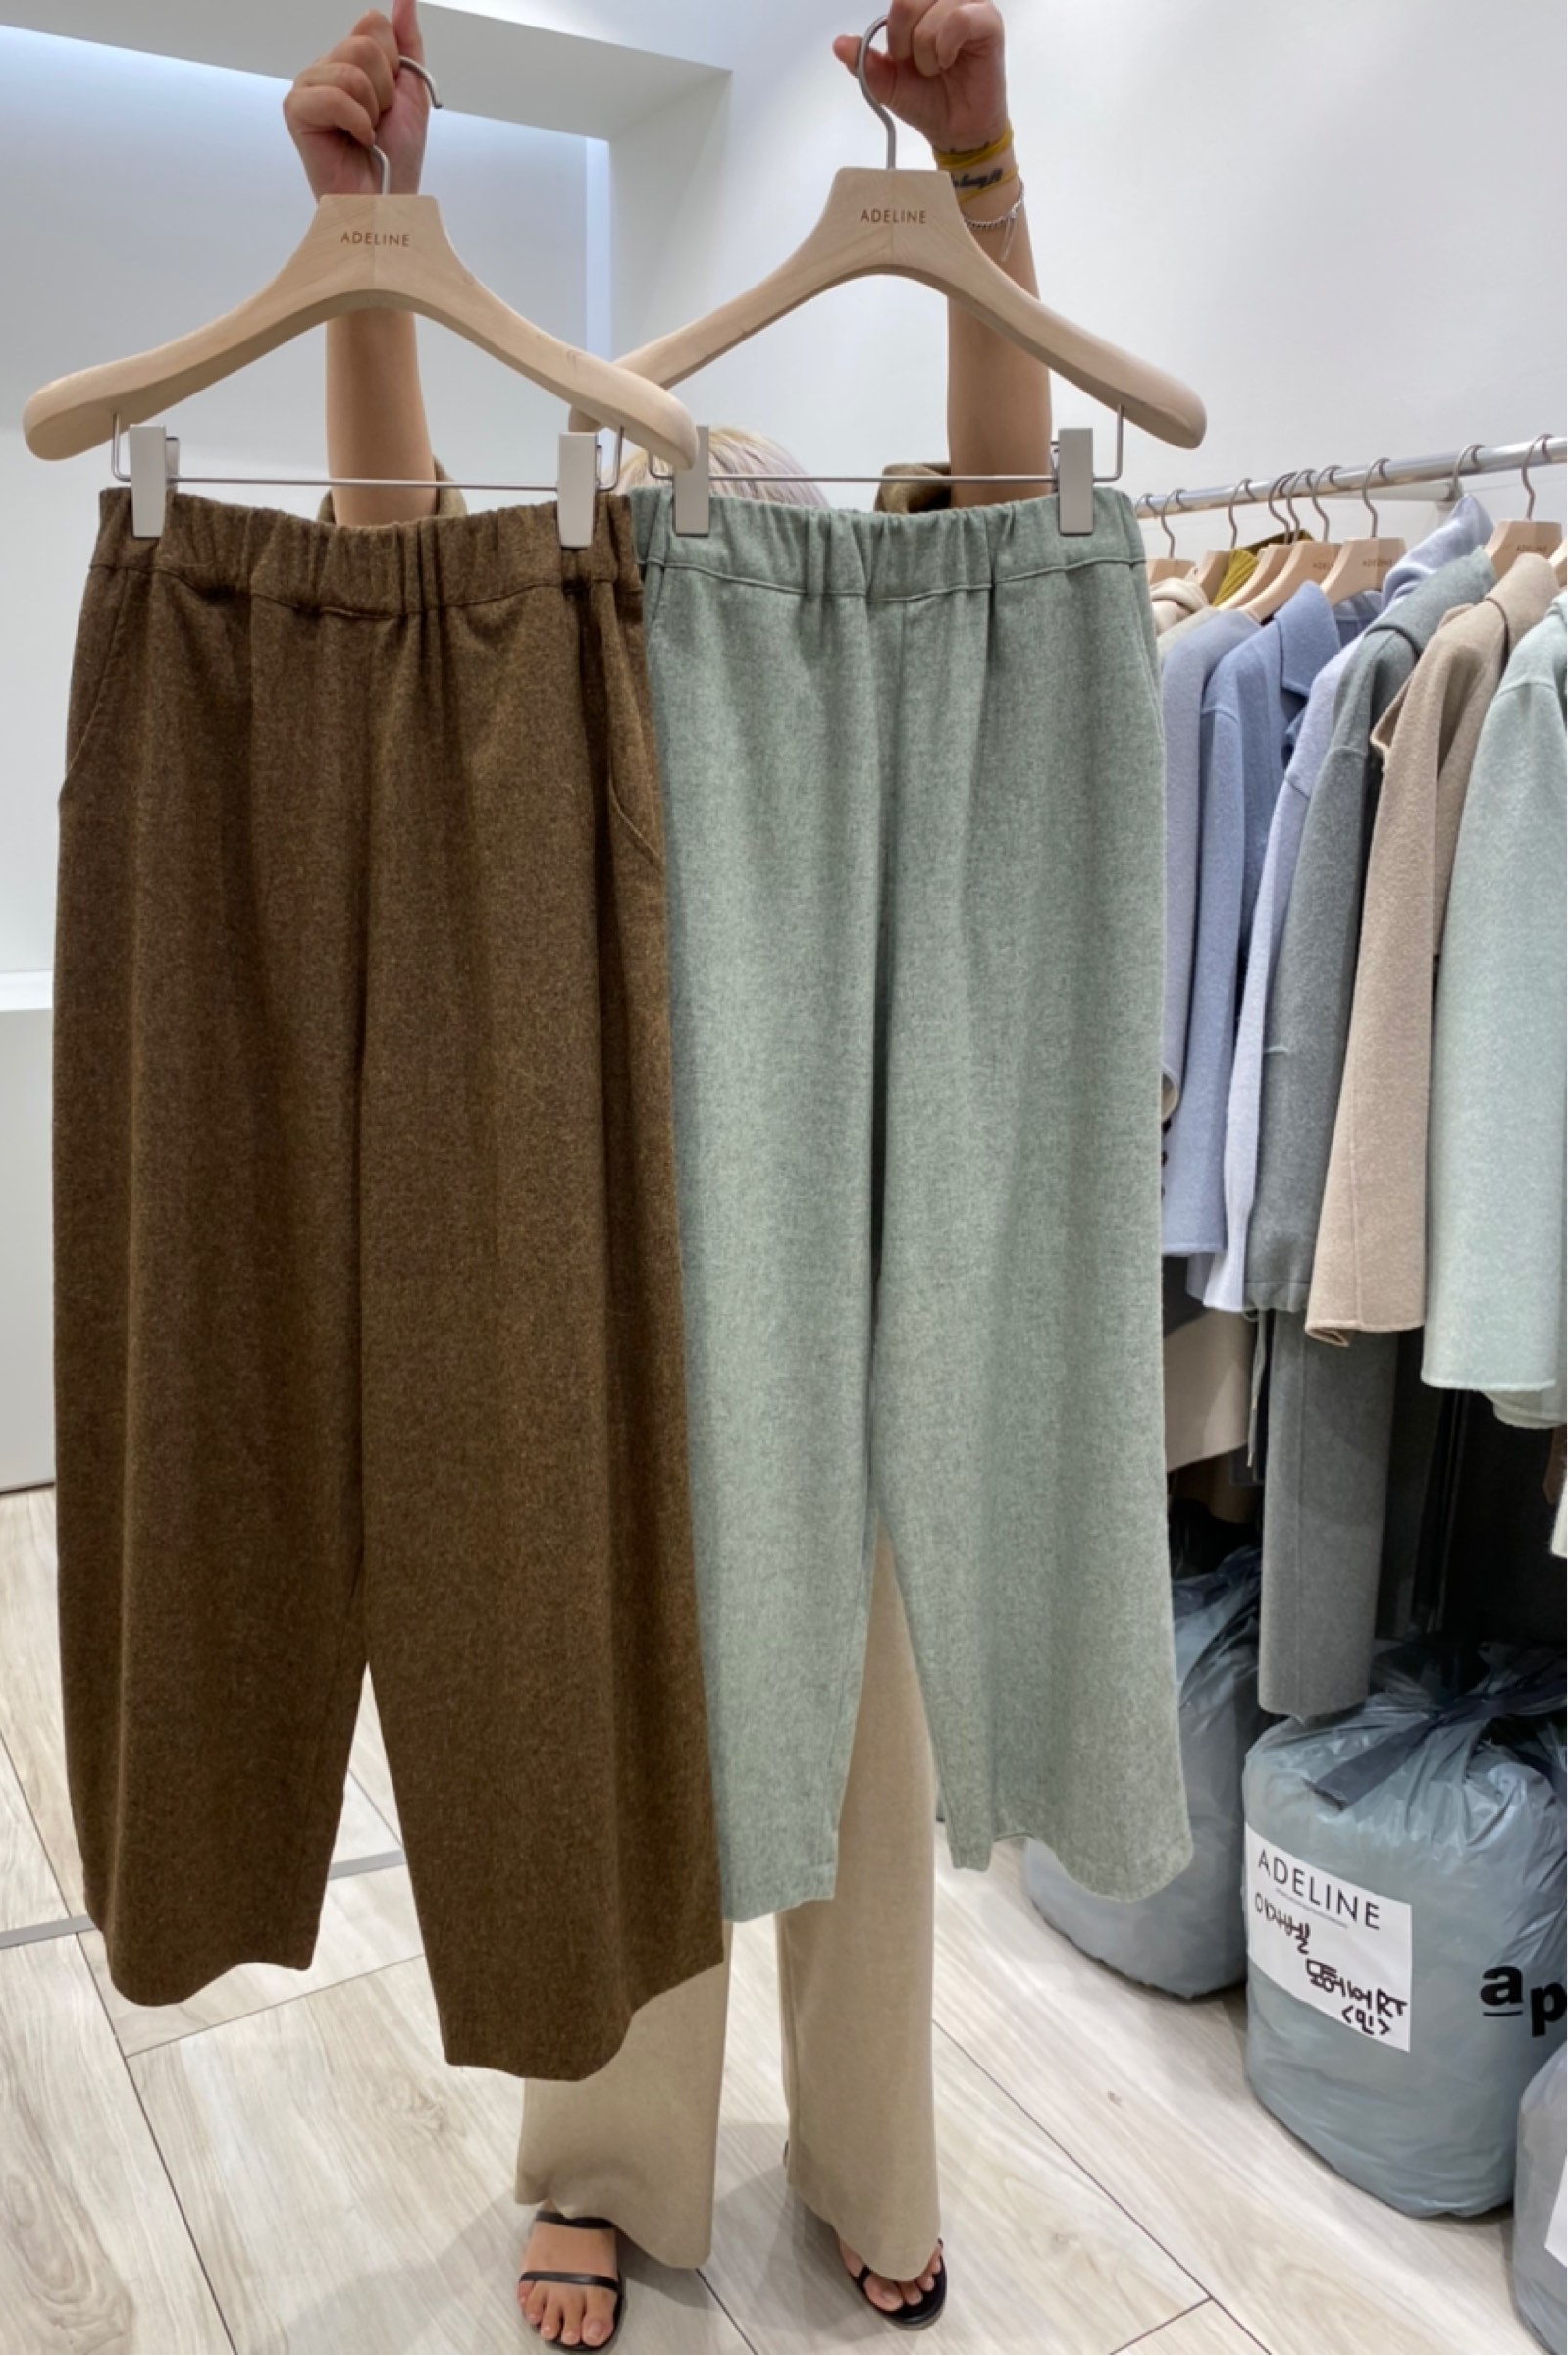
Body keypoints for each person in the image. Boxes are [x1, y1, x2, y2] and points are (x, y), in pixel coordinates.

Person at [284, 2, 1052, 2340]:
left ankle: (872, 2149)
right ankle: (604, 2159)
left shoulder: (854, 636)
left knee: (863, 1726)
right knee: (601, 1700)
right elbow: (394, 567)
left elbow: (1008, 535)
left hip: (841, 1227)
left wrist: (982, 181)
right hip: (592, 1236)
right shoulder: (563, 613)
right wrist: (367, 245)